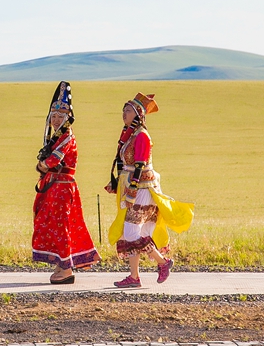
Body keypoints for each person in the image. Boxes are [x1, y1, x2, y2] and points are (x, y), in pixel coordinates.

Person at [104, 92, 193, 288]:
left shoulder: (142, 136)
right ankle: (134, 277)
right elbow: (124, 163)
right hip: (133, 187)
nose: (123, 114)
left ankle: (163, 262)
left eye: (128, 111)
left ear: (138, 115)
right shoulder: (130, 135)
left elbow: (139, 164)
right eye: (123, 110)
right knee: (138, 230)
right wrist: (116, 183)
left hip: (142, 189)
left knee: (131, 231)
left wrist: (132, 189)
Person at [32, 81, 99, 284]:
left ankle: (66, 268)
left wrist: (42, 165)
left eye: (61, 116)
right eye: (53, 115)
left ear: (68, 118)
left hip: (62, 187)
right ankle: (61, 264)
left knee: (62, 226)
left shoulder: (67, 137)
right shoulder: (57, 137)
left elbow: (53, 161)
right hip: (54, 186)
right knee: (53, 223)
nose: (56, 119)